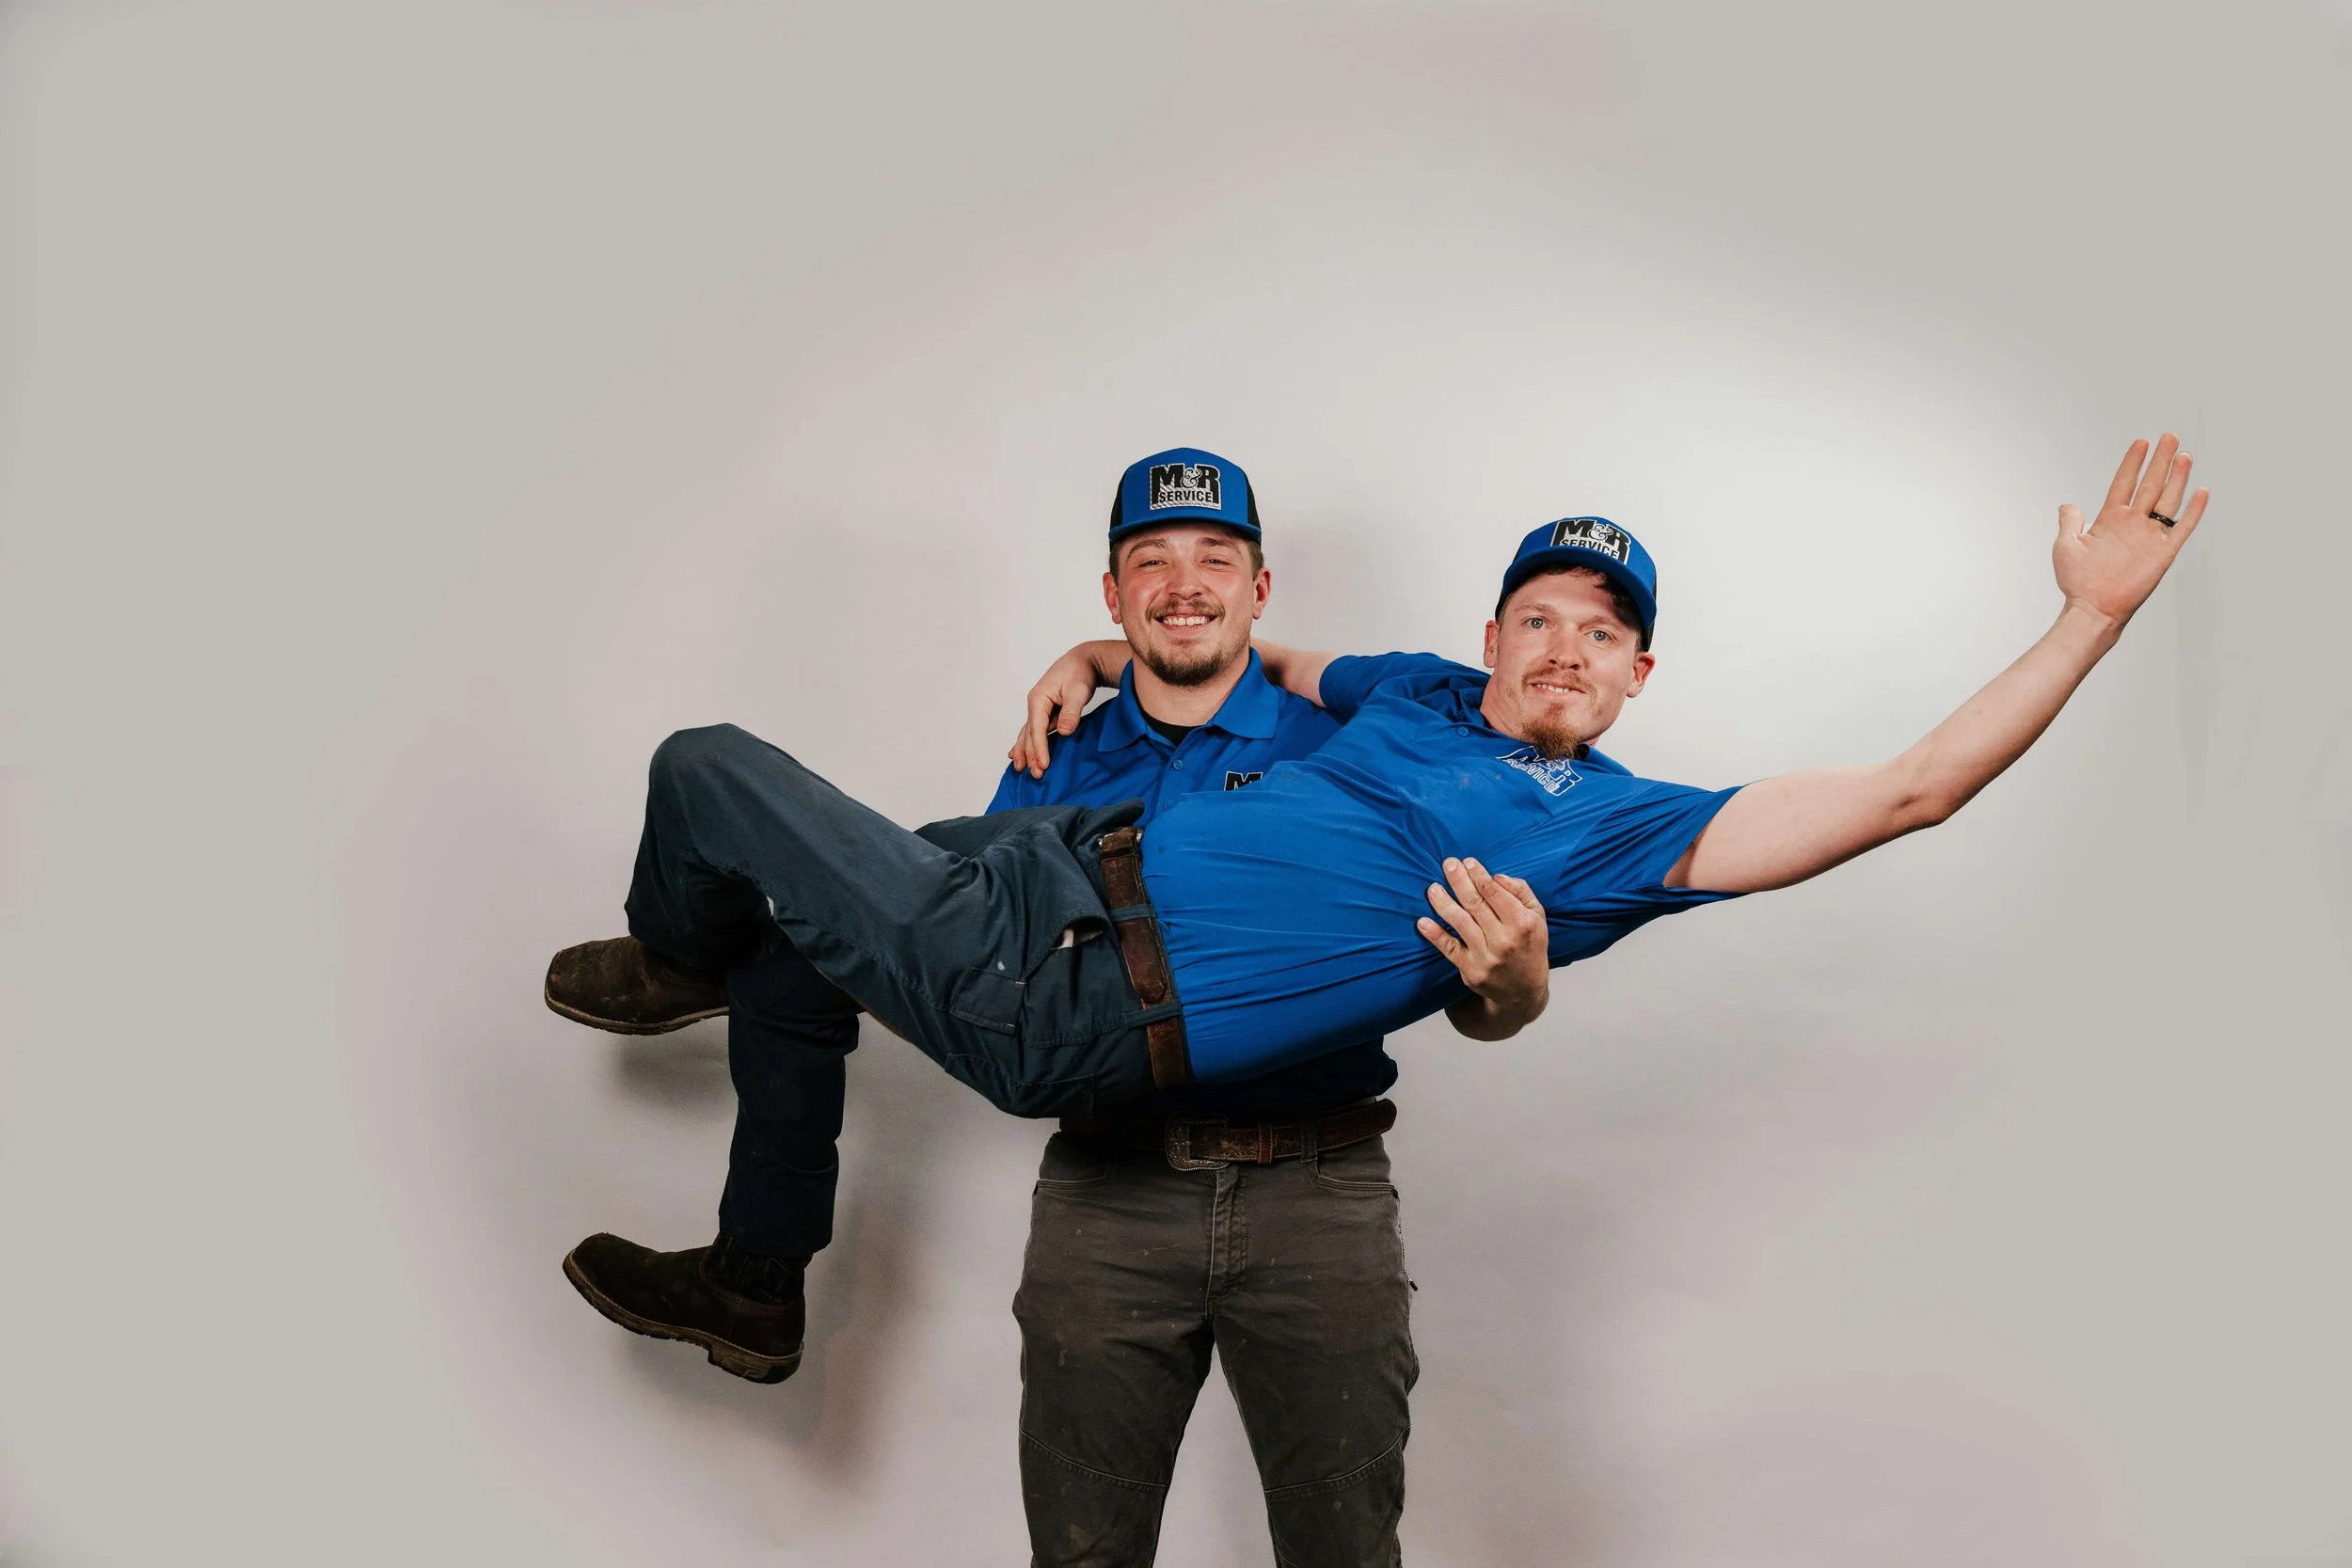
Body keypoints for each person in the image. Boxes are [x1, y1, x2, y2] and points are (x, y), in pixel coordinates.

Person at [548, 428, 2204, 1425]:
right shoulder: (1413, 687)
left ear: (1640, 680)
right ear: (1491, 634)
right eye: (1542, 615)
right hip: (1041, 862)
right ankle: (757, 1283)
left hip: (1065, 993)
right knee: (791, 938)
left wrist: (2086, 620)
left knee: (711, 774)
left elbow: (1912, 788)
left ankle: (675, 957)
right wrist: (1087, 645)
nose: (1567, 644)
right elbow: (1242, 650)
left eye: (1605, 632)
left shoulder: (1622, 830)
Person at [549, 449, 1546, 1563]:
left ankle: (681, 967)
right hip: (1107, 1193)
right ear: (1113, 591)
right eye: (1149, 561)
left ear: (1258, 589)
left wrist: (1515, 990)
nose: (1184, 583)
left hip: (1315, 1188)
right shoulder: (1056, 749)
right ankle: (754, 1275)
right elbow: (986, 957)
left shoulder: (1349, 745)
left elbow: (1466, 977)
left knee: (1345, 1551)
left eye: (1215, 558)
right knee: (1080, 1553)